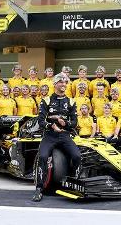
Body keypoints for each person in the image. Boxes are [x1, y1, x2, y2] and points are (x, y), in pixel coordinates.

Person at [32, 73, 80, 202]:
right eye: (61, 82)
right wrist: (52, 125)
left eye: (65, 82)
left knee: (77, 156)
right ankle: (39, 188)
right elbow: (40, 121)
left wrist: (67, 124)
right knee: (42, 157)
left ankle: (73, 184)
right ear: (55, 84)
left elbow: (75, 122)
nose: (63, 84)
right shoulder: (46, 100)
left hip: (65, 135)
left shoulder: (71, 101)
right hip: (50, 136)